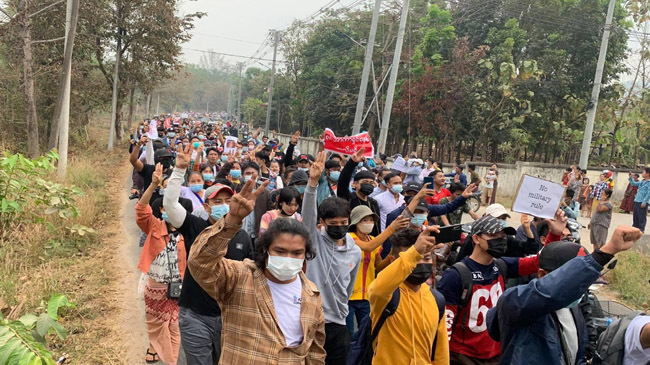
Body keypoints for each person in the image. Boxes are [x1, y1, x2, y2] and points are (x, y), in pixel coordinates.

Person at [187, 179, 327, 364]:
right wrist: (232, 221)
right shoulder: (240, 277)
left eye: (297, 253)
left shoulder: (311, 295)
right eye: (280, 251)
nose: (288, 258)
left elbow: (315, 352)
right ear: (265, 250)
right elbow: (200, 263)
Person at [486, 226, 643, 365]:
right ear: (542, 275)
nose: (580, 291)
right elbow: (552, 290)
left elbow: (575, 356)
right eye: (575, 282)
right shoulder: (515, 303)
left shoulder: (574, 310)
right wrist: (604, 253)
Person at [163, 145, 254, 364]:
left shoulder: (242, 237)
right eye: (217, 202)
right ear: (207, 206)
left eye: (228, 202)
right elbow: (170, 204)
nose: (223, 206)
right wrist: (178, 171)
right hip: (195, 314)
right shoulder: (195, 225)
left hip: (228, 316)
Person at [437, 211, 567, 364]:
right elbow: (445, 326)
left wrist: (555, 234)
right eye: (493, 236)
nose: (500, 240)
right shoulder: (456, 275)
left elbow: (537, 262)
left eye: (503, 236)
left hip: (496, 354)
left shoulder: (501, 265)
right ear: (476, 238)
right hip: (463, 357)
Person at [303, 151, 361, 364]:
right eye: (333, 224)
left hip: (338, 323)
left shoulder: (355, 251)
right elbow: (308, 216)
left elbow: (348, 287)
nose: (339, 227)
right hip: (310, 320)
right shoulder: (315, 241)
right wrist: (312, 184)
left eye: (343, 223)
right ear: (323, 222)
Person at [368, 227, 449, 364]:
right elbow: (377, 289)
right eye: (416, 259)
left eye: (426, 258)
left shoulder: (436, 299)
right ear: (394, 260)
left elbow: (441, 352)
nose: (421, 263)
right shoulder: (386, 295)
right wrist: (414, 252)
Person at [136, 164, 184, 365]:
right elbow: (140, 210)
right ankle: (154, 346)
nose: (169, 210)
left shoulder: (187, 231)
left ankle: (170, 360)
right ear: (160, 210)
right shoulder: (154, 226)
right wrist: (153, 185)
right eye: (164, 207)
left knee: (173, 325)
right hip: (155, 285)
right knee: (155, 323)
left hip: (178, 287)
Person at [345, 205, 409, 334]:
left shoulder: (374, 240)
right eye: (365, 220)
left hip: (367, 295)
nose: (369, 223)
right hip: (348, 295)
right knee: (349, 334)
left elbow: (378, 267)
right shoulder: (349, 238)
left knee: (367, 333)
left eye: (371, 220)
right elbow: (368, 247)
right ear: (356, 222)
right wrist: (391, 229)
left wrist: (392, 252)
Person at [337, 148, 382, 236]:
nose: (368, 185)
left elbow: (377, 226)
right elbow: (343, 181)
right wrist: (352, 162)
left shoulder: (373, 203)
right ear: (355, 184)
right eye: (365, 182)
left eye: (371, 183)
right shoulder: (348, 199)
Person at [628, 168, 650, 233]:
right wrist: (630, 177)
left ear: (648, 174)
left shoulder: (649, 183)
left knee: (641, 217)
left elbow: (649, 193)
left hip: (642, 202)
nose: (642, 173)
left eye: (643, 172)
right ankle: (634, 228)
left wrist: (644, 202)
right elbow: (634, 184)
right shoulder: (642, 181)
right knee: (636, 216)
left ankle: (641, 229)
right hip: (637, 200)